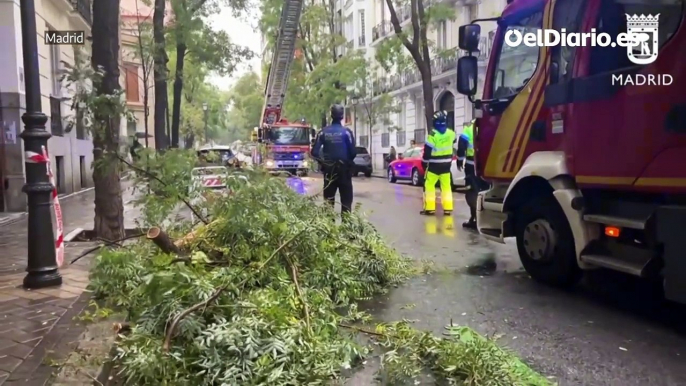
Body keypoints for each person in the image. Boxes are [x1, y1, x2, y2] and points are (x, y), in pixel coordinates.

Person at [311, 104, 356, 215]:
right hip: (344, 172)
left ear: (331, 115)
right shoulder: (347, 132)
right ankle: (345, 228)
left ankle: (330, 229)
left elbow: (314, 152)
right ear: (342, 116)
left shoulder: (323, 132)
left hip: (329, 171)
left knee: (328, 204)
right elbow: (353, 153)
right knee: (346, 202)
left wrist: (324, 163)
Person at [420, 111, 456, 216]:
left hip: (434, 166)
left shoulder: (433, 135)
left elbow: (427, 151)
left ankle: (430, 208)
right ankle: (448, 208)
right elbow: (454, 141)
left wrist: (424, 162)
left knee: (429, 185)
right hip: (446, 165)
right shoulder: (451, 133)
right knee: (446, 187)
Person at [456, 119, 486, 229]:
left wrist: (460, 160)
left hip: (471, 166)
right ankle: (483, 218)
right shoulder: (489, 126)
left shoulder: (468, 130)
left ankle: (474, 218)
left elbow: (461, 147)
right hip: (486, 165)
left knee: (472, 191)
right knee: (485, 191)